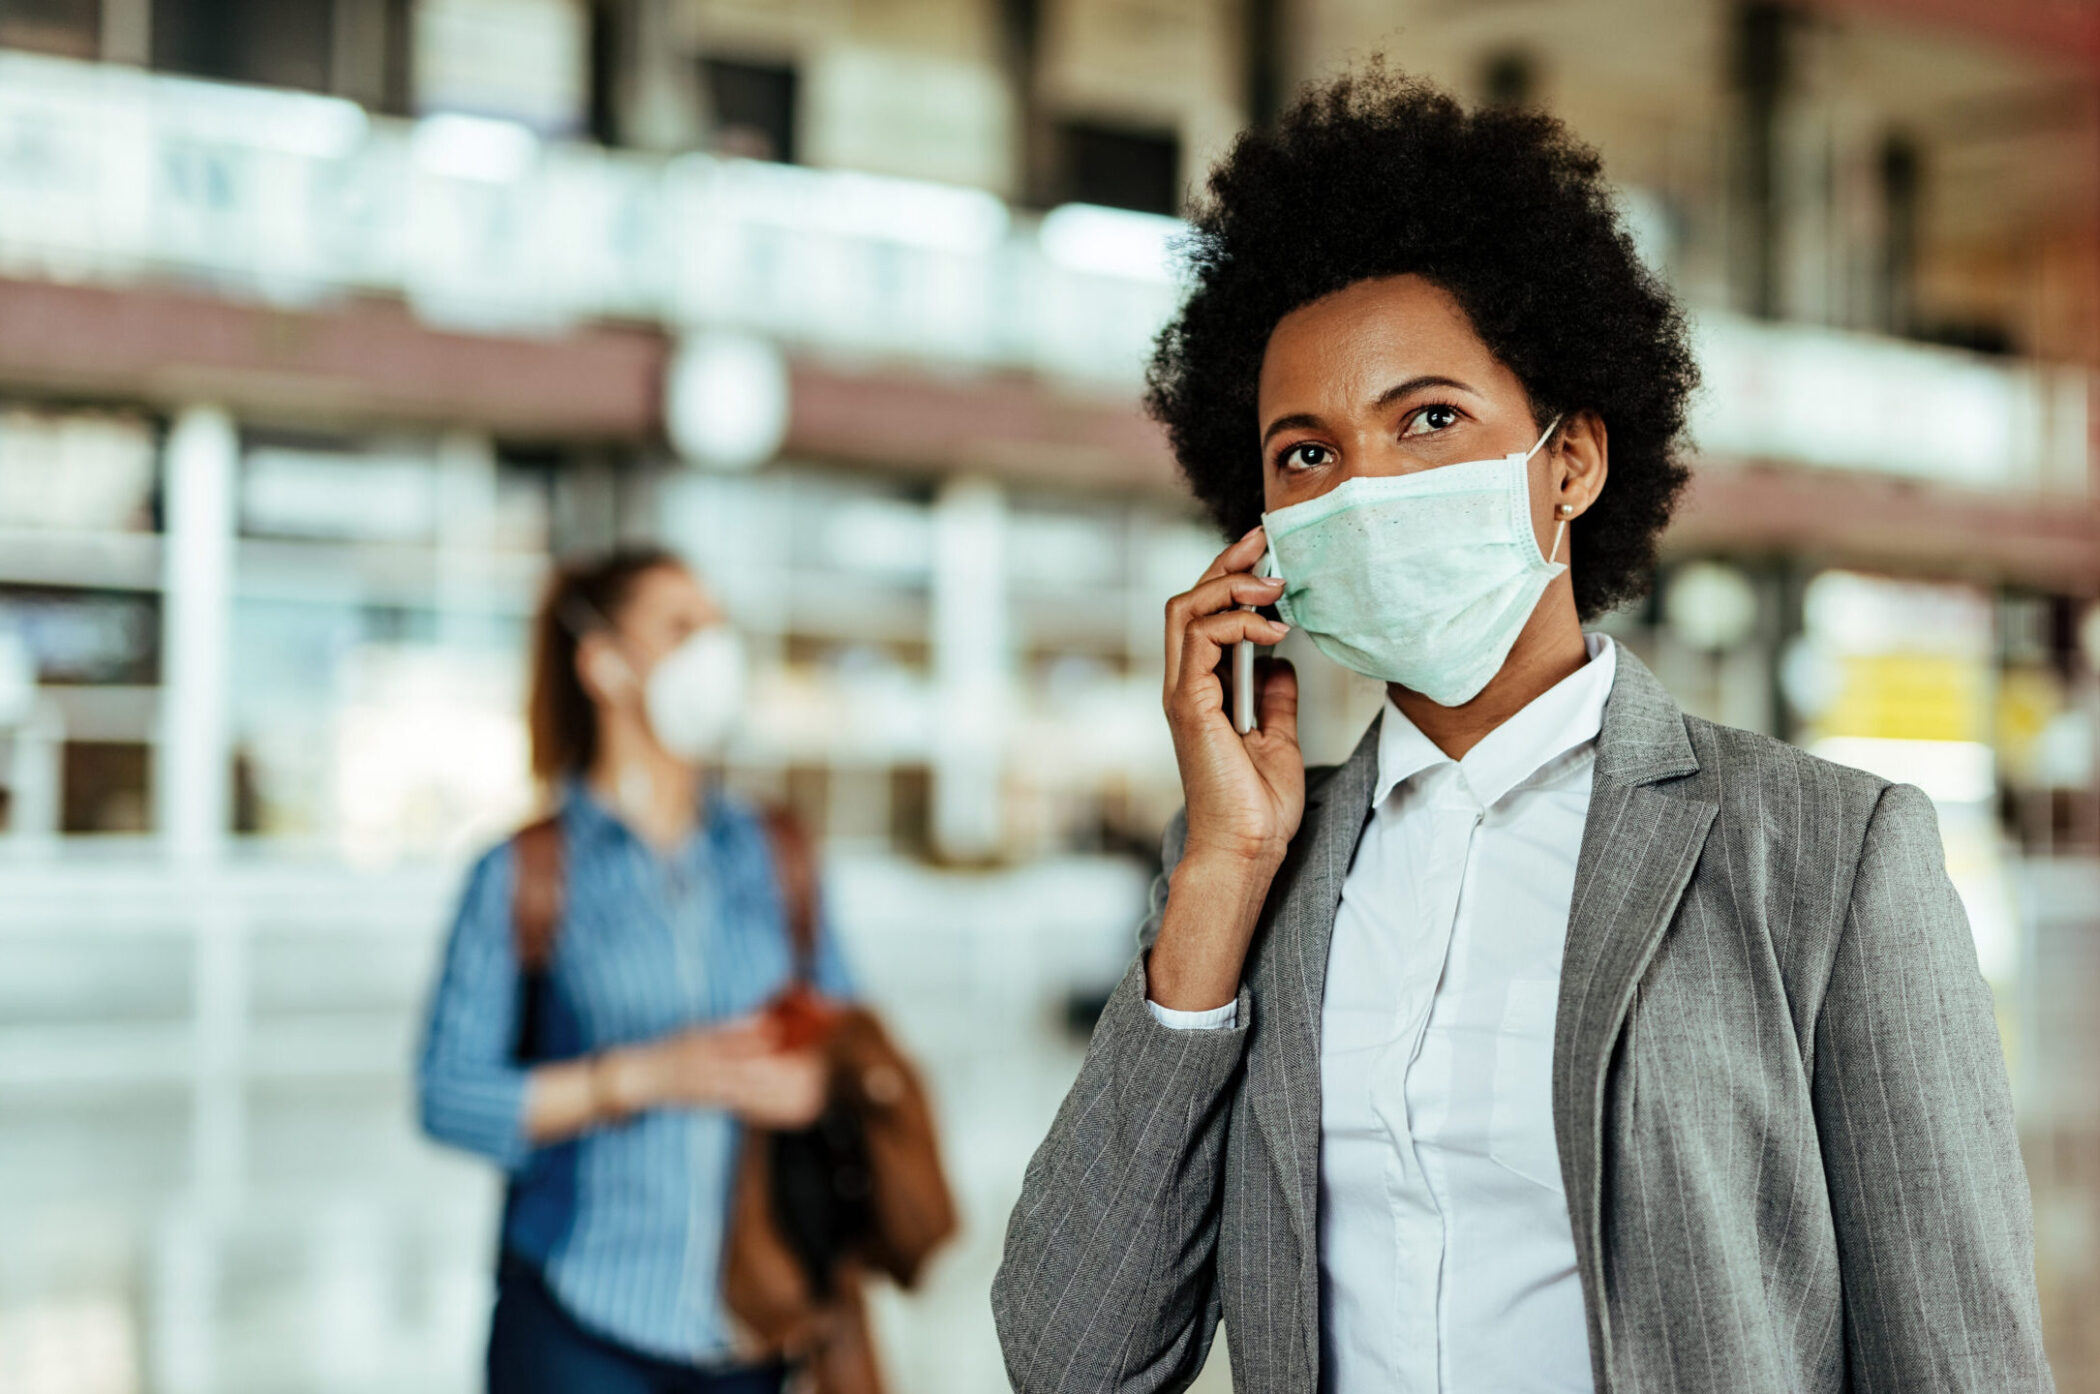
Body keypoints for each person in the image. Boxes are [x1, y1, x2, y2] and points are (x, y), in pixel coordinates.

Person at [993, 66, 2052, 1394]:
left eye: (1429, 418)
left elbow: (1962, 1363)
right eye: (1304, 454)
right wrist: (1220, 873)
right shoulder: (1253, 871)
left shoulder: (1826, 860)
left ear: (1571, 462)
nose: (1366, 485)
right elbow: (1072, 1356)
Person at [418, 546, 851, 1394]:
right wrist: (640, 1076)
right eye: (682, 627)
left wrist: (813, 1078)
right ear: (604, 663)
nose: (714, 652)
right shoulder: (524, 872)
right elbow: (448, 1095)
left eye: (719, 628)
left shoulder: (775, 853)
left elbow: (849, 1033)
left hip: (751, 1329)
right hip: (578, 1325)